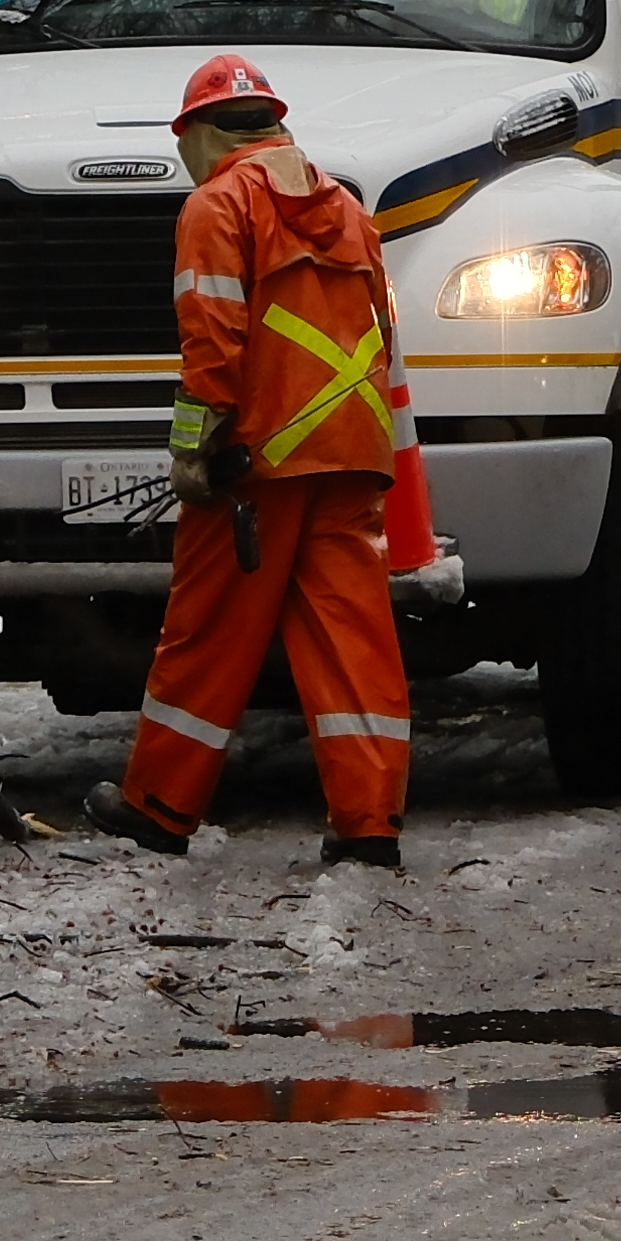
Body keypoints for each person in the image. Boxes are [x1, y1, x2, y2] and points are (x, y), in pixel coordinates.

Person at [84, 50, 412, 869]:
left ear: (197, 132)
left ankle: (158, 807)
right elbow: (382, 336)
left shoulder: (215, 204)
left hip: (255, 465)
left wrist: (196, 454)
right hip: (349, 454)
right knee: (352, 640)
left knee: (207, 636)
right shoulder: (346, 208)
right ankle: (368, 825)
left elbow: (214, 340)